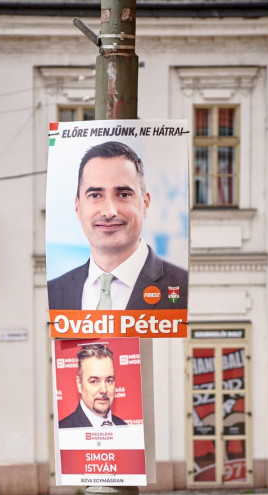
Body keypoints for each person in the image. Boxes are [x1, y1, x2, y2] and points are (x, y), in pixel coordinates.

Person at [48, 141, 188, 310]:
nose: (109, 212)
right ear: (77, 207)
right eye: (95, 195)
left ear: (145, 204)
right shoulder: (53, 292)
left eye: (123, 194)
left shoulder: (184, 287)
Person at [59, 343, 127, 428]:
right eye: (94, 381)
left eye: (109, 380)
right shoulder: (63, 430)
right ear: (79, 384)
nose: (104, 390)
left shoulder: (123, 427)